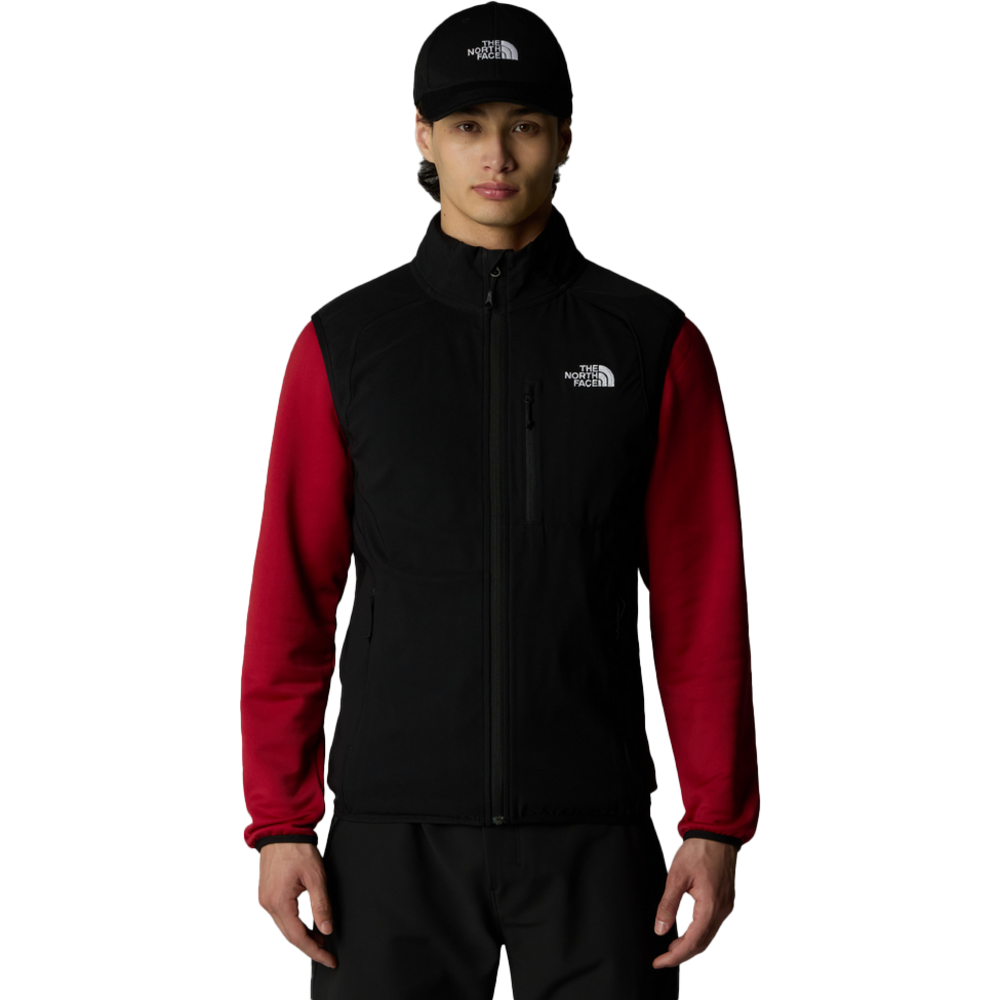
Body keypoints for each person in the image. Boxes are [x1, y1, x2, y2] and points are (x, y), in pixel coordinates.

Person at [241, 2, 760, 997]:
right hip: (390, 839)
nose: (497, 155)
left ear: (564, 137)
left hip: (596, 830)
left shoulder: (652, 341)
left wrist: (714, 821)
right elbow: (291, 597)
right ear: (423, 137)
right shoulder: (344, 345)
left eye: (523, 123)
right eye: (467, 124)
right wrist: (280, 822)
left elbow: (702, 604)